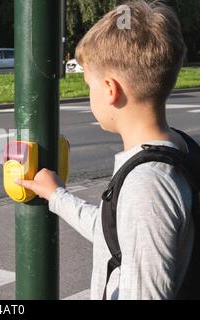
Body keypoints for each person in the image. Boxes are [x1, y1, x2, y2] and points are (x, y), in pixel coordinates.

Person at [15, 0, 194, 300]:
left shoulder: (146, 186)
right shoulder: (178, 148)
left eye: (89, 84)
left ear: (111, 90)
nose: (89, 95)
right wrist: (57, 196)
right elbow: (115, 234)